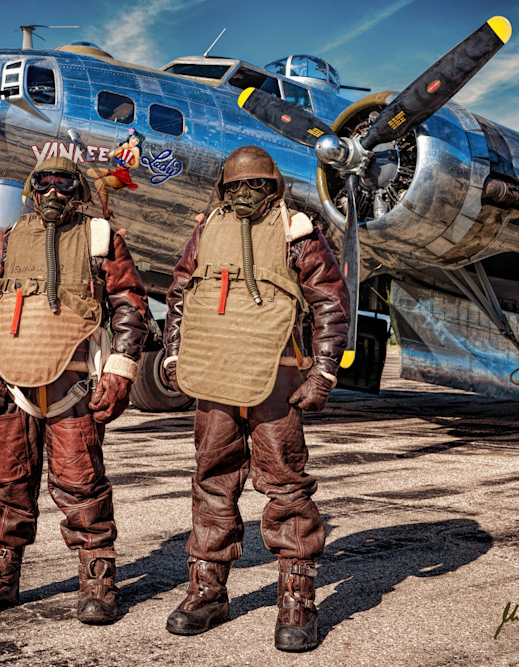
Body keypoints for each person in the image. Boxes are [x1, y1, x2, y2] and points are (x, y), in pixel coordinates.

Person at [161, 145, 350, 651]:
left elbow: (329, 301)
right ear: (222, 190)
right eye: (235, 186)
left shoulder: (297, 232)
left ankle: (297, 600)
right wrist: (176, 357)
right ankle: (207, 592)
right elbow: (180, 294)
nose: (245, 194)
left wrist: (325, 371)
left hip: (277, 382)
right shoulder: (205, 230)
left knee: (286, 484)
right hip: (216, 380)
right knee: (212, 482)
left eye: (257, 185)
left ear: (274, 188)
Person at [0, 155, 149, 625]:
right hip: (14, 384)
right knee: (7, 483)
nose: (54, 192)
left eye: (64, 183)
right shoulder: (11, 237)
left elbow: (129, 305)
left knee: (81, 485)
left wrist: (120, 371)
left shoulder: (101, 238)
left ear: (77, 188)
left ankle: (97, 579)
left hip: (74, 386)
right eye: (44, 182)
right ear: (31, 188)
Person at [86, 128, 143, 219]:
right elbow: (111, 155)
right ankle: (112, 185)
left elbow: (136, 164)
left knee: (98, 183)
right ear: (130, 137)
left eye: (137, 140)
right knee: (90, 171)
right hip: (116, 172)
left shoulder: (136, 150)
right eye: (133, 138)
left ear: (138, 143)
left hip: (123, 177)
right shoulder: (125, 145)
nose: (134, 141)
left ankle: (105, 210)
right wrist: (121, 148)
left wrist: (130, 165)